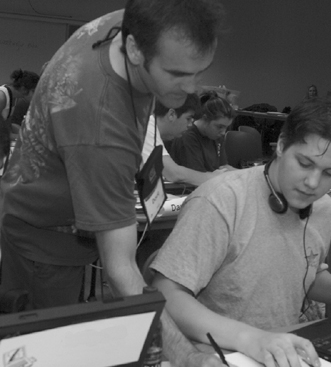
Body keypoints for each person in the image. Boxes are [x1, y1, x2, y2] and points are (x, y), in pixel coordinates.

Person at [0, 1, 227, 366]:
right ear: (135, 48)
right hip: (42, 244)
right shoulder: (100, 125)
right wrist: (191, 359)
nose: (190, 91)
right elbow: (122, 274)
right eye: (177, 74)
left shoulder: (134, 23)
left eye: (199, 72)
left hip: (54, 210)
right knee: (41, 353)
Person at [150, 98, 331, 367]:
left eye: (329, 173)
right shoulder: (222, 199)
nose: (313, 183)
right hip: (217, 354)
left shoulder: (322, 208)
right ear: (282, 145)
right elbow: (165, 294)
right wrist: (251, 339)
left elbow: (304, 273)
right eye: (304, 164)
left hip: (281, 349)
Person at [141, 95, 227, 186]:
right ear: (171, 115)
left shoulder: (151, 128)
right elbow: (173, 174)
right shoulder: (147, 129)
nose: (190, 124)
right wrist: (215, 178)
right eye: (188, 119)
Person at [169, 91, 235, 172]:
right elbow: (197, 175)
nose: (223, 132)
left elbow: (224, 166)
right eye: (220, 127)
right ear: (205, 119)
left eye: (226, 128)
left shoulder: (216, 136)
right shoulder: (187, 137)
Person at [0, 69, 40, 139]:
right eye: (33, 91)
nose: (35, 96)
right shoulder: (2, 97)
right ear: (23, 89)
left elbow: (8, 132)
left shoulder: (13, 98)